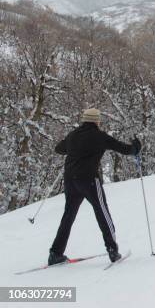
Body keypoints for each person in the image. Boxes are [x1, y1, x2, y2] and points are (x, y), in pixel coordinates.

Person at [48, 108, 141, 265]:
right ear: (97, 121)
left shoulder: (73, 135)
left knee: (68, 216)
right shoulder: (100, 136)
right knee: (102, 211)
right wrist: (136, 147)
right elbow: (125, 149)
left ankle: (55, 253)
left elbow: (59, 148)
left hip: (70, 180)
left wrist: (73, 148)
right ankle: (112, 250)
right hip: (89, 180)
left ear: (84, 120)